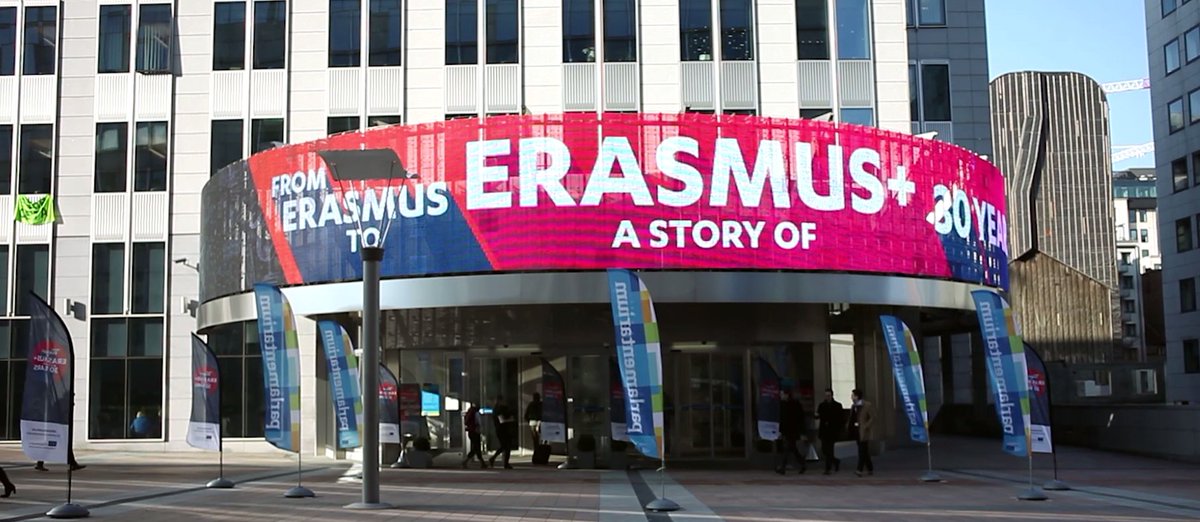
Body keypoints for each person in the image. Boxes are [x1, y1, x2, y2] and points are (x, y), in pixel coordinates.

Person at [775, 389, 807, 475]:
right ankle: (803, 464)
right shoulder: (782, 405)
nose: (781, 396)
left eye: (782, 394)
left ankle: (783, 467)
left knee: (788, 447)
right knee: (793, 448)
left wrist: (802, 431)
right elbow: (781, 419)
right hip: (787, 430)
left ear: (787, 395)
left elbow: (800, 418)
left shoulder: (794, 404)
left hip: (793, 430)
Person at [815, 388, 844, 475]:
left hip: (832, 430)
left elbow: (840, 418)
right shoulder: (822, 405)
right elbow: (818, 415)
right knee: (824, 449)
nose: (827, 397)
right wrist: (816, 416)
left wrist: (839, 429)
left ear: (832, 395)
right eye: (826, 395)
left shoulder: (837, 405)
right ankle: (835, 461)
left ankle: (828, 468)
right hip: (824, 430)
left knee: (830, 449)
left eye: (828, 395)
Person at [847, 388, 874, 476]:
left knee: (862, 450)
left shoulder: (867, 405)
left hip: (863, 431)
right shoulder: (853, 406)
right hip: (856, 431)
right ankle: (870, 467)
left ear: (857, 396)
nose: (851, 397)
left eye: (853, 395)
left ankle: (859, 469)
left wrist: (866, 425)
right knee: (864, 451)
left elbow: (872, 417)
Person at [488, 397, 517, 470]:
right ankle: (503, 462)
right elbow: (502, 420)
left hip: (502, 430)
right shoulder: (498, 410)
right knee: (506, 446)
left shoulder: (498, 409)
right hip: (503, 430)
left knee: (505, 446)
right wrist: (511, 419)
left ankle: (501, 461)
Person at [462, 403, 487, 469]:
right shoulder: (476, 413)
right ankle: (466, 461)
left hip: (471, 431)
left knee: (475, 448)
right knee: (476, 447)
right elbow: (479, 422)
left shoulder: (470, 411)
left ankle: (482, 463)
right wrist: (481, 430)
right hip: (475, 431)